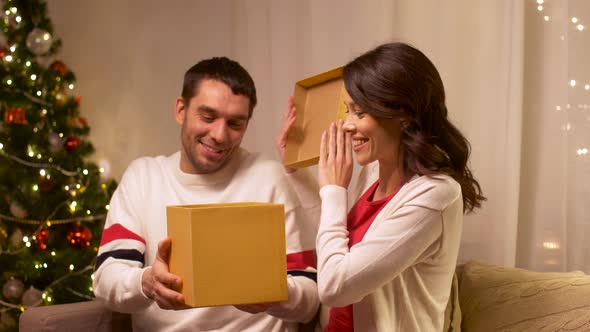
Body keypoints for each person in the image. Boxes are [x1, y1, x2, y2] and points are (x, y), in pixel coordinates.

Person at [93, 57, 319, 331]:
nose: (219, 135)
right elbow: (106, 280)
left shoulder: (271, 178)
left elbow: (309, 301)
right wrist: (147, 282)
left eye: (235, 124)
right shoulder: (144, 178)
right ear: (180, 110)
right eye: (208, 117)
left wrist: (275, 295)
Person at [277, 42, 485, 331]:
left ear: (404, 115)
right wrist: (294, 169)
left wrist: (335, 190)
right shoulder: (371, 173)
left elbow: (335, 287)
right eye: (347, 111)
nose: (347, 125)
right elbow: (335, 238)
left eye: (360, 113)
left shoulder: (436, 195)